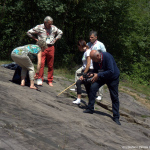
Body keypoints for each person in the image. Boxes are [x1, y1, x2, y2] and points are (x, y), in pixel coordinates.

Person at [83, 50, 121, 125]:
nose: (93, 61)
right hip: (102, 76)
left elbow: (111, 71)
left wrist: (98, 75)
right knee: (93, 88)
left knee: (114, 96)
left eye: (93, 59)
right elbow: (95, 70)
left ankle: (116, 116)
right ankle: (90, 108)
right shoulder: (95, 59)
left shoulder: (107, 57)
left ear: (98, 56)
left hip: (112, 78)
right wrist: (91, 73)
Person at [27, 16, 63, 86]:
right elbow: (29, 32)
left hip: (51, 47)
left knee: (50, 64)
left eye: (51, 24)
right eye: (49, 24)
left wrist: (56, 39)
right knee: (41, 63)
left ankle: (50, 80)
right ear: (45, 22)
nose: (50, 25)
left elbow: (60, 32)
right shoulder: (39, 27)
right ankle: (40, 78)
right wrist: (36, 39)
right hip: (42, 47)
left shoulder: (53, 27)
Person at [71, 31, 106, 101]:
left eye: (92, 37)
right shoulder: (88, 44)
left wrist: (102, 63)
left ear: (96, 37)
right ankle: (77, 87)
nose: (90, 38)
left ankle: (100, 95)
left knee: (99, 77)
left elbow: (104, 54)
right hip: (88, 63)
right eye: (89, 37)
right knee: (77, 72)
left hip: (97, 63)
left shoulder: (100, 44)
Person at [72, 39, 93, 104]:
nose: (78, 48)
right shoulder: (85, 52)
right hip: (85, 70)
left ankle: (79, 99)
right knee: (87, 87)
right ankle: (91, 103)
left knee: (79, 82)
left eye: (78, 47)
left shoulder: (88, 52)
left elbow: (88, 64)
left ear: (80, 45)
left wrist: (84, 73)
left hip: (89, 70)